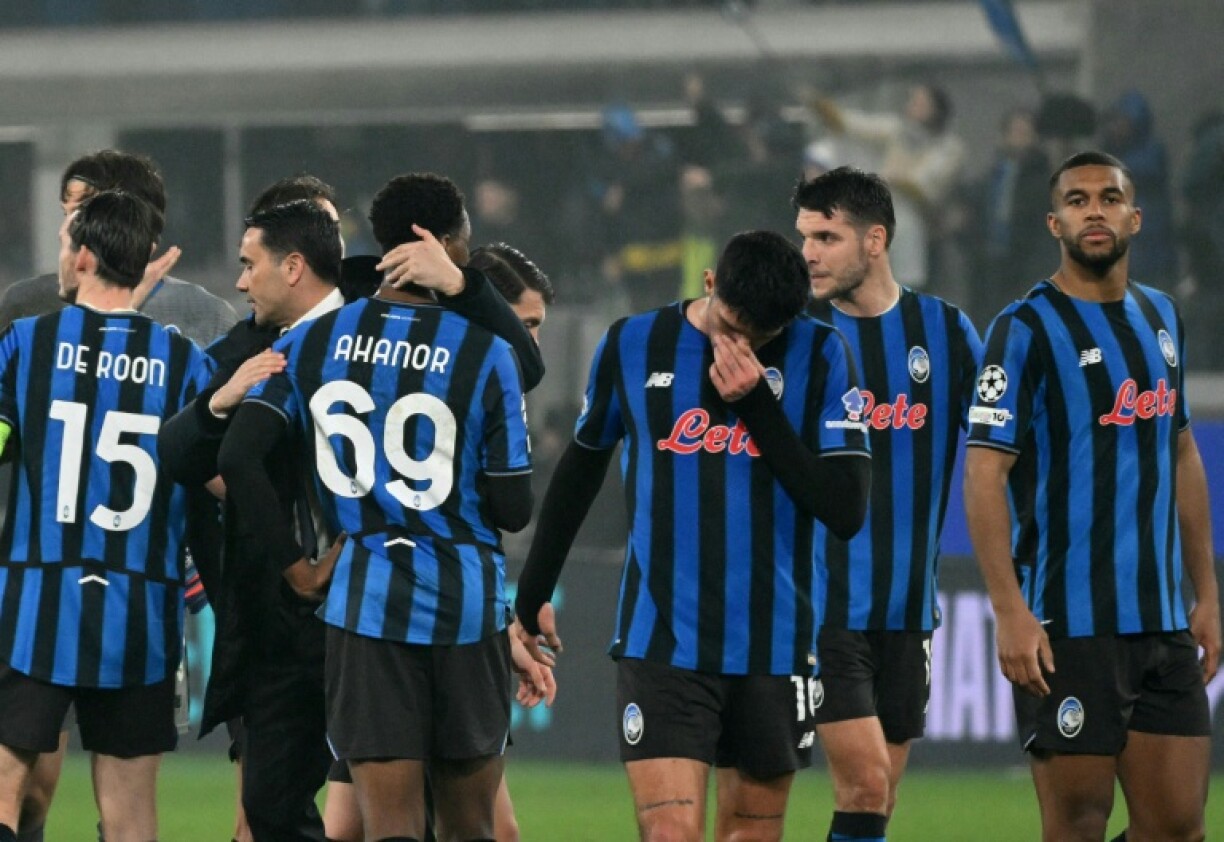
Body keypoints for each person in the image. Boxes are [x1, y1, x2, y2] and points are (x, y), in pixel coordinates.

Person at [514, 230, 872, 842]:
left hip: (775, 646)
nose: (741, 345)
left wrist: (757, 405)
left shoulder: (824, 354)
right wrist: (532, 593)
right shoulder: (634, 342)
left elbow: (844, 509)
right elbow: (581, 468)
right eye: (730, 325)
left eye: (761, 336)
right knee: (670, 834)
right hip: (664, 643)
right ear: (709, 284)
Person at [217, 172, 536, 842]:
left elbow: (239, 455)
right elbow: (512, 506)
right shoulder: (488, 354)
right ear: (443, 245)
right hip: (467, 607)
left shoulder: (314, 341)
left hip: (363, 606)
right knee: (471, 828)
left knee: (387, 829)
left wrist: (297, 569)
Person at [963, 151, 1220, 842]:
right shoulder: (1022, 328)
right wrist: (1010, 612)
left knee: (1178, 828)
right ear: (1055, 223)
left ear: (1136, 217)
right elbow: (984, 473)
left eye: (1110, 198)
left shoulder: (1162, 317)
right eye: (1077, 201)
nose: (1094, 210)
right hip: (1068, 624)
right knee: (1077, 824)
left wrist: (1208, 594)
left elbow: (1182, 449)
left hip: (1162, 624)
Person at [322, 239, 556, 842]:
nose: (530, 343)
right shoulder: (474, 374)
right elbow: (489, 516)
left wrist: (509, 627)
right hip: (405, 622)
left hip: (384, 617)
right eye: (524, 324)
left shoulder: (355, 351)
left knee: (365, 826)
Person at [0, 189, 213, 842]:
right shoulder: (185, 362)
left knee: (4, 784)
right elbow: (215, 480)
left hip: (38, 599)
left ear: (86, 256)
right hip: (141, 610)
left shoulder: (28, 343)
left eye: (65, 245)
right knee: (129, 815)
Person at [795, 167, 982, 842]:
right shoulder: (799, 339)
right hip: (823, 610)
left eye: (827, 236)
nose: (810, 252)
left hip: (907, 612)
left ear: (876, 241)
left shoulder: (948, 332)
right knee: (867, 783)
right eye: (805, 236)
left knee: (873, 801)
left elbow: (998, 447)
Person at [0, 149, 237, 345]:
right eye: (68, 214)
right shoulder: (26, 303)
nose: (67, 230)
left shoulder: (206, 314)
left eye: (84, 214)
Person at [805, 83, 965, 291]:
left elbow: (924, 185)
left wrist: (889, 179)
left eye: (919, 103)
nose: (911, 107)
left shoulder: (949, 147)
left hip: (927, 229)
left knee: (916, 287)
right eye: (912, 101)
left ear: (936, 110)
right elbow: (856, 125)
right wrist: (826, 109)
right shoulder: (897, 130)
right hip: (886, 222)